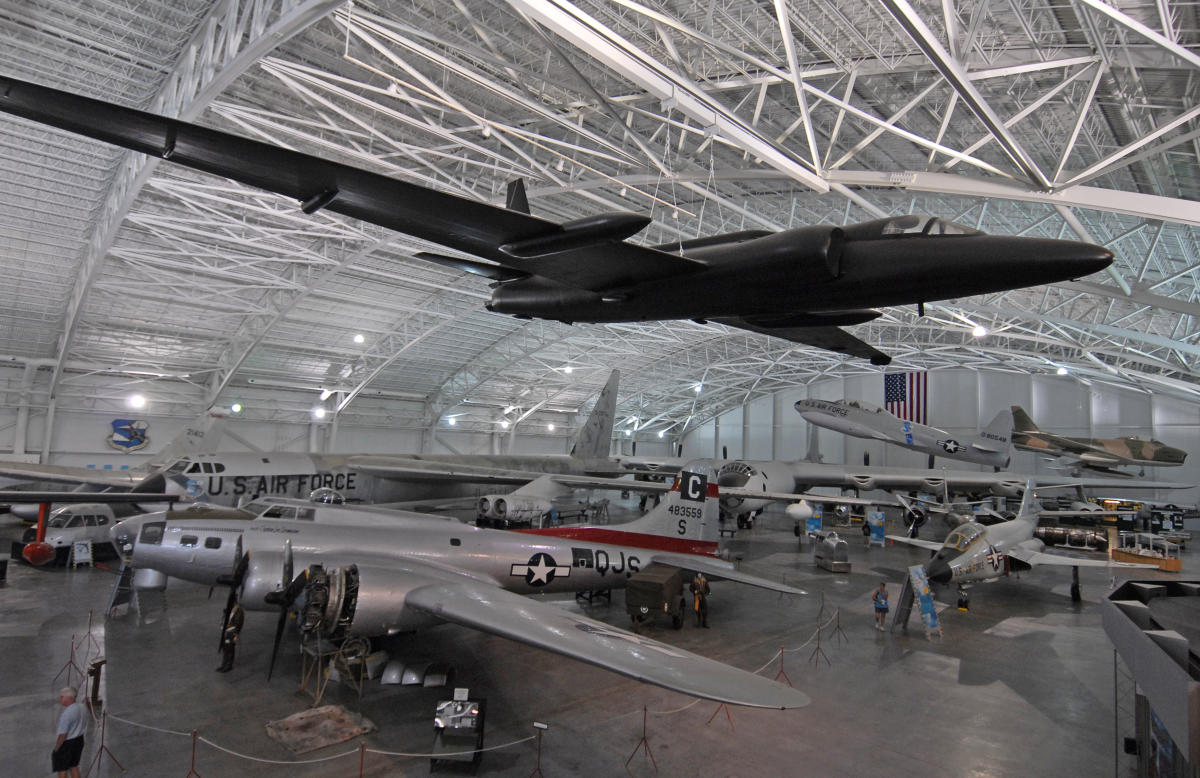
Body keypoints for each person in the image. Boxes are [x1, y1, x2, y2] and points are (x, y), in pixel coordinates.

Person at [52, 686, 86, 778]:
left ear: (69, 698)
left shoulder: (67, 714)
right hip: (79, 740)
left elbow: (63, 735)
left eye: (62, 697)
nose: (60, 699)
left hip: (67, 744)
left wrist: (56, 748)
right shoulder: (82, 707)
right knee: (74, 766)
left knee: (62, 769)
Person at [217, 599, 244, 672]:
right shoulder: (229, 609)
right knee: (225, 649)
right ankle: (223, 664)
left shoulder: (239, 611)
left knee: (230, 649)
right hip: (226, 632)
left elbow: (238, 624)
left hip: (231, 633)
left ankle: (229, 665)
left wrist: (236, 635)